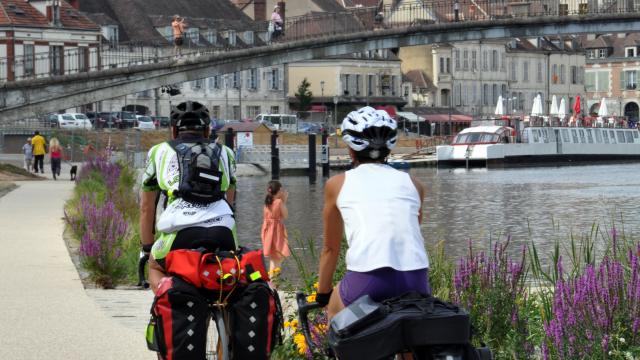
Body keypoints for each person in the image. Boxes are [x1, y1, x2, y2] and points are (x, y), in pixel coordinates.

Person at [140, 101, 237, 360]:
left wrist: (147, 247)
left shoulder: (158, 152)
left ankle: (170, 306)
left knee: (155, 266)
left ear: (173, 131)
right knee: (227, 288)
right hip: (223, 234)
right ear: (207, 131)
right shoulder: (225, 153)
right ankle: (226, 341)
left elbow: (146, 209)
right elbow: (230, 200)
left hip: (179, 236)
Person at [315, 106, 431, 320]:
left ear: (351, 150)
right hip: (416, 277)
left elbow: (330, 249)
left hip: (369, 277)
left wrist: (322, 294)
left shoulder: (337, 184)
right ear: (390, 149)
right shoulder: (414, 185)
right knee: (411, 333)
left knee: (334, 311)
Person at [261, 180, 290, 276]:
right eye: (282, 190)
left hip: (267, 231)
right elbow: (285, 215)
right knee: (278, 256)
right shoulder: (278, 202)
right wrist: (284, 201)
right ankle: (274, 281)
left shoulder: (267, 202)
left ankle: (272, 280)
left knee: (274, 257)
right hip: (276, 232)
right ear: (279, 190)